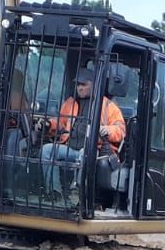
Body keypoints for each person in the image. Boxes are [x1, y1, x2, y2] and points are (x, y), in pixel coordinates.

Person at [39, 62, 125, 197]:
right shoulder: (70, 103)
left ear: (93, 84)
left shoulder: (108, 105)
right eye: (78, 84)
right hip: (70, 147)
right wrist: (48, 124)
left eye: (83, 84)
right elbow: (61, 122)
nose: (79, 87)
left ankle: (78, 191)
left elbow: (120, 130)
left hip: (93, 150)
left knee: (85, 153)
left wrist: (107, 130)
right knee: (47, 150)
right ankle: (54, 192)